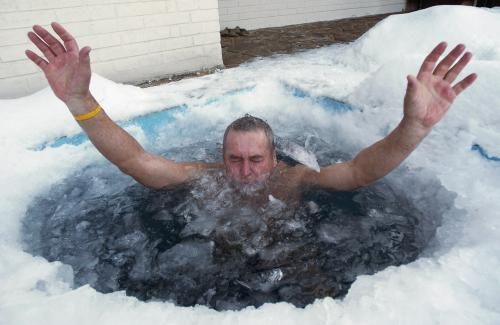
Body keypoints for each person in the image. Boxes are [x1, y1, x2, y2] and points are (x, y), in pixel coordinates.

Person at [25, 22, 477, 199]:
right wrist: (81, 101)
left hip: (292, 256)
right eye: (235, 159)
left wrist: (413, 127)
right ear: (221, 158)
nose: (244, 170)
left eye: (255, 158)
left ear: (275, 158)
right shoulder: (206, 177)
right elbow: (134, 160)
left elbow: (361, 171)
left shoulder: (294, 178)